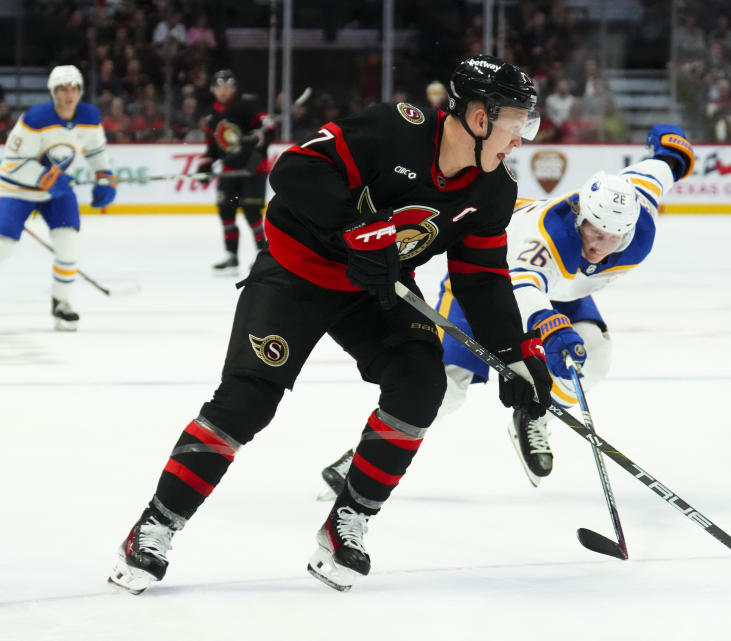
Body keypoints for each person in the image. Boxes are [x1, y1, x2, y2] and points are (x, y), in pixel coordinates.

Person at [108, 54, 553, 595]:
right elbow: (294, 170)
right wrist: (352, 231)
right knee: (246, 402)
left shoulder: (493, 191)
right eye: (516, 125)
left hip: (375, 290)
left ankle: (348, 522)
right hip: (296, 272)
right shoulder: (394, 129)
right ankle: (154, 526)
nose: (520, 140)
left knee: (421, 385)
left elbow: (481, 278)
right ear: (480, 119)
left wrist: (514, 354)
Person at [319, 124, 694, 491]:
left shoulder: (638, 212)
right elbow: (525, 284)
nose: (600, 246)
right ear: (580, 215)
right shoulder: (546, 234)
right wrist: (550, 326)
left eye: (613, 238)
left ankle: (532, 414)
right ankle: (361, 458)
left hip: (559, 291)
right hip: (489, 284)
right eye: (594, 232)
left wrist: (672, 152)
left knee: (594, 356)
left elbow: (659, 168)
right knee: (443, 387)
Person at [0, 65, 117, 331]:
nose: (69, 94)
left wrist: (104, 177)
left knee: (68, 243)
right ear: (53, 92)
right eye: (63, 88)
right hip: (17, 189)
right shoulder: (35, 119)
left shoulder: (89, 116)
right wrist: (50, 178)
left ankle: (61, 303)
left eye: (74, 88)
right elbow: (13, 164)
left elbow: (97, 151)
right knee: (2, 246)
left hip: (57, 191)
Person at [197, 70, 275, 273]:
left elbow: (268, 130)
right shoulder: (211, 115)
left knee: (251, 211)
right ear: (214, 90)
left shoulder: (247, 107)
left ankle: (262, 254)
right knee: (226, 210)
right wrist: (206, 165)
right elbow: (212, 147)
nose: (224, 91)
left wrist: (261, 135)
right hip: (229, 172)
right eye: (220, 88)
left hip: (252, 171)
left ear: (234, 89)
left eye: (228, 87)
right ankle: (231, 255)